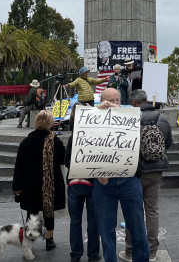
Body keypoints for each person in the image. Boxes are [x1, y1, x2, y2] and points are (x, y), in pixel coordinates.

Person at [94, 88, 150, 262]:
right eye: (111, 100)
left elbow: (138, 116)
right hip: (104, 181)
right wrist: (97, 172)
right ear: (101, 101)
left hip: (129, 179)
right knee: (106, 229)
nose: (115, 103)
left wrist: (115, 108)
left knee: (137, 226)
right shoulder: (93, 116)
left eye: (118, 100)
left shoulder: (128, 113)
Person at [119, 89, 173, 262]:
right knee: (152, 211)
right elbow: (168, 143)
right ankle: (152, 251)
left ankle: (130, 250)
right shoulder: (162, 118)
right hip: (156, 171)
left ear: (134, 103)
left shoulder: (131, 118)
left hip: (135, 171)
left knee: (132, 211)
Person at [13, 110, 66, 252]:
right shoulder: (55, 140)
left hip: (30, 184)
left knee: (32, 211)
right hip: (50, 184)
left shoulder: (27, 141)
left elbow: (19, 166)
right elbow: (63, 159)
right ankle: (50, 240)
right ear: (50, 123)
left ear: (36, 122)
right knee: (49, 212)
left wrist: (17, 187)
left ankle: (29, 241)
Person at [64, 103, 101, 262]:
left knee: (75, 221)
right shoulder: (95, 136)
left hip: (74, 182)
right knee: (93, 221)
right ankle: (93, 255)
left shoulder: (74, 137)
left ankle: (76, 254)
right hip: (92, 183)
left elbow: (66, 161)